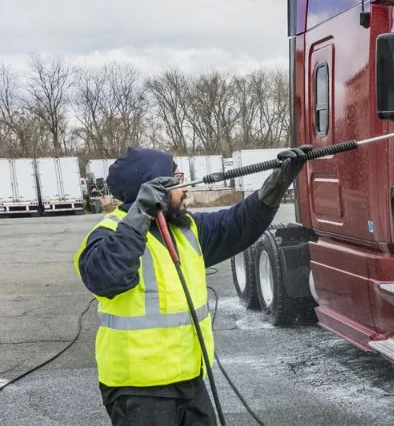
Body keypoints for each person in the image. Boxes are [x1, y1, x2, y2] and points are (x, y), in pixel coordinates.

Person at [73, 146, 310, 425]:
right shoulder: (108, 234)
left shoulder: (186, 230)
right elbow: (106, 277)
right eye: (176, 180)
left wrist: (275, 185)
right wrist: (140, 215)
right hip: (138, 389)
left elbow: (237, 224)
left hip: (189, 380)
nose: (185, 188)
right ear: (151, 188)